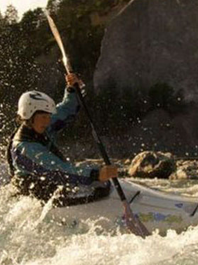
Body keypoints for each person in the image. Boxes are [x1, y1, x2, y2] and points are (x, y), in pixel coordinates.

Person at [7, 73, 118, 205]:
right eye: (43, 117)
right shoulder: (25, 148)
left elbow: (66, 109)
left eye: (48, 116)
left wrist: (72, 89)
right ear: (28, 116)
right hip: (35, 196)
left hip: (50, 183)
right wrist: (96, 174)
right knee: (95, 182)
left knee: (97, 182)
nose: (48, 121)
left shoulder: (40, 125)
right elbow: (58, 171)